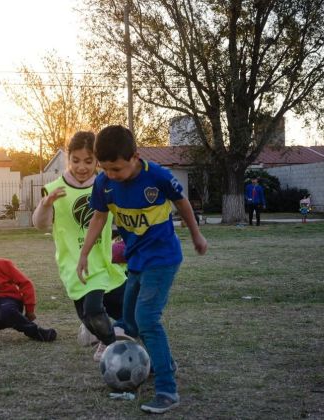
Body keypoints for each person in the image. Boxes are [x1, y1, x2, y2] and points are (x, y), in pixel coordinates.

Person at [76, 125, 207, 414]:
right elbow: (99, 217)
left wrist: (196, 234)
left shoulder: (157, 176)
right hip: (135, 260)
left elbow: (182, 202)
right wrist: (84, 253)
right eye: (106, 169)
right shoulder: (103, 184)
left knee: (147, 319)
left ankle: (167, 390)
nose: (111, 175)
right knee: (132, 322)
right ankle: (166, 363)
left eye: (117, 169)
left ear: (135, 156)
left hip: (162, 258)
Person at [32, 131, 131, 362]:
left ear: (97, 160)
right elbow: (40, 224)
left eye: (88, 161)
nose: (82, 167)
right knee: (89, 313)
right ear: (68, 158)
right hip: (76, 265)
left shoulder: (106, 183)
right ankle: (105, 338)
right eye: (75, 160)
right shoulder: (55, 189)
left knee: (128, 313)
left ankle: (111, 343)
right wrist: (46, 205)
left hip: (106, 262)